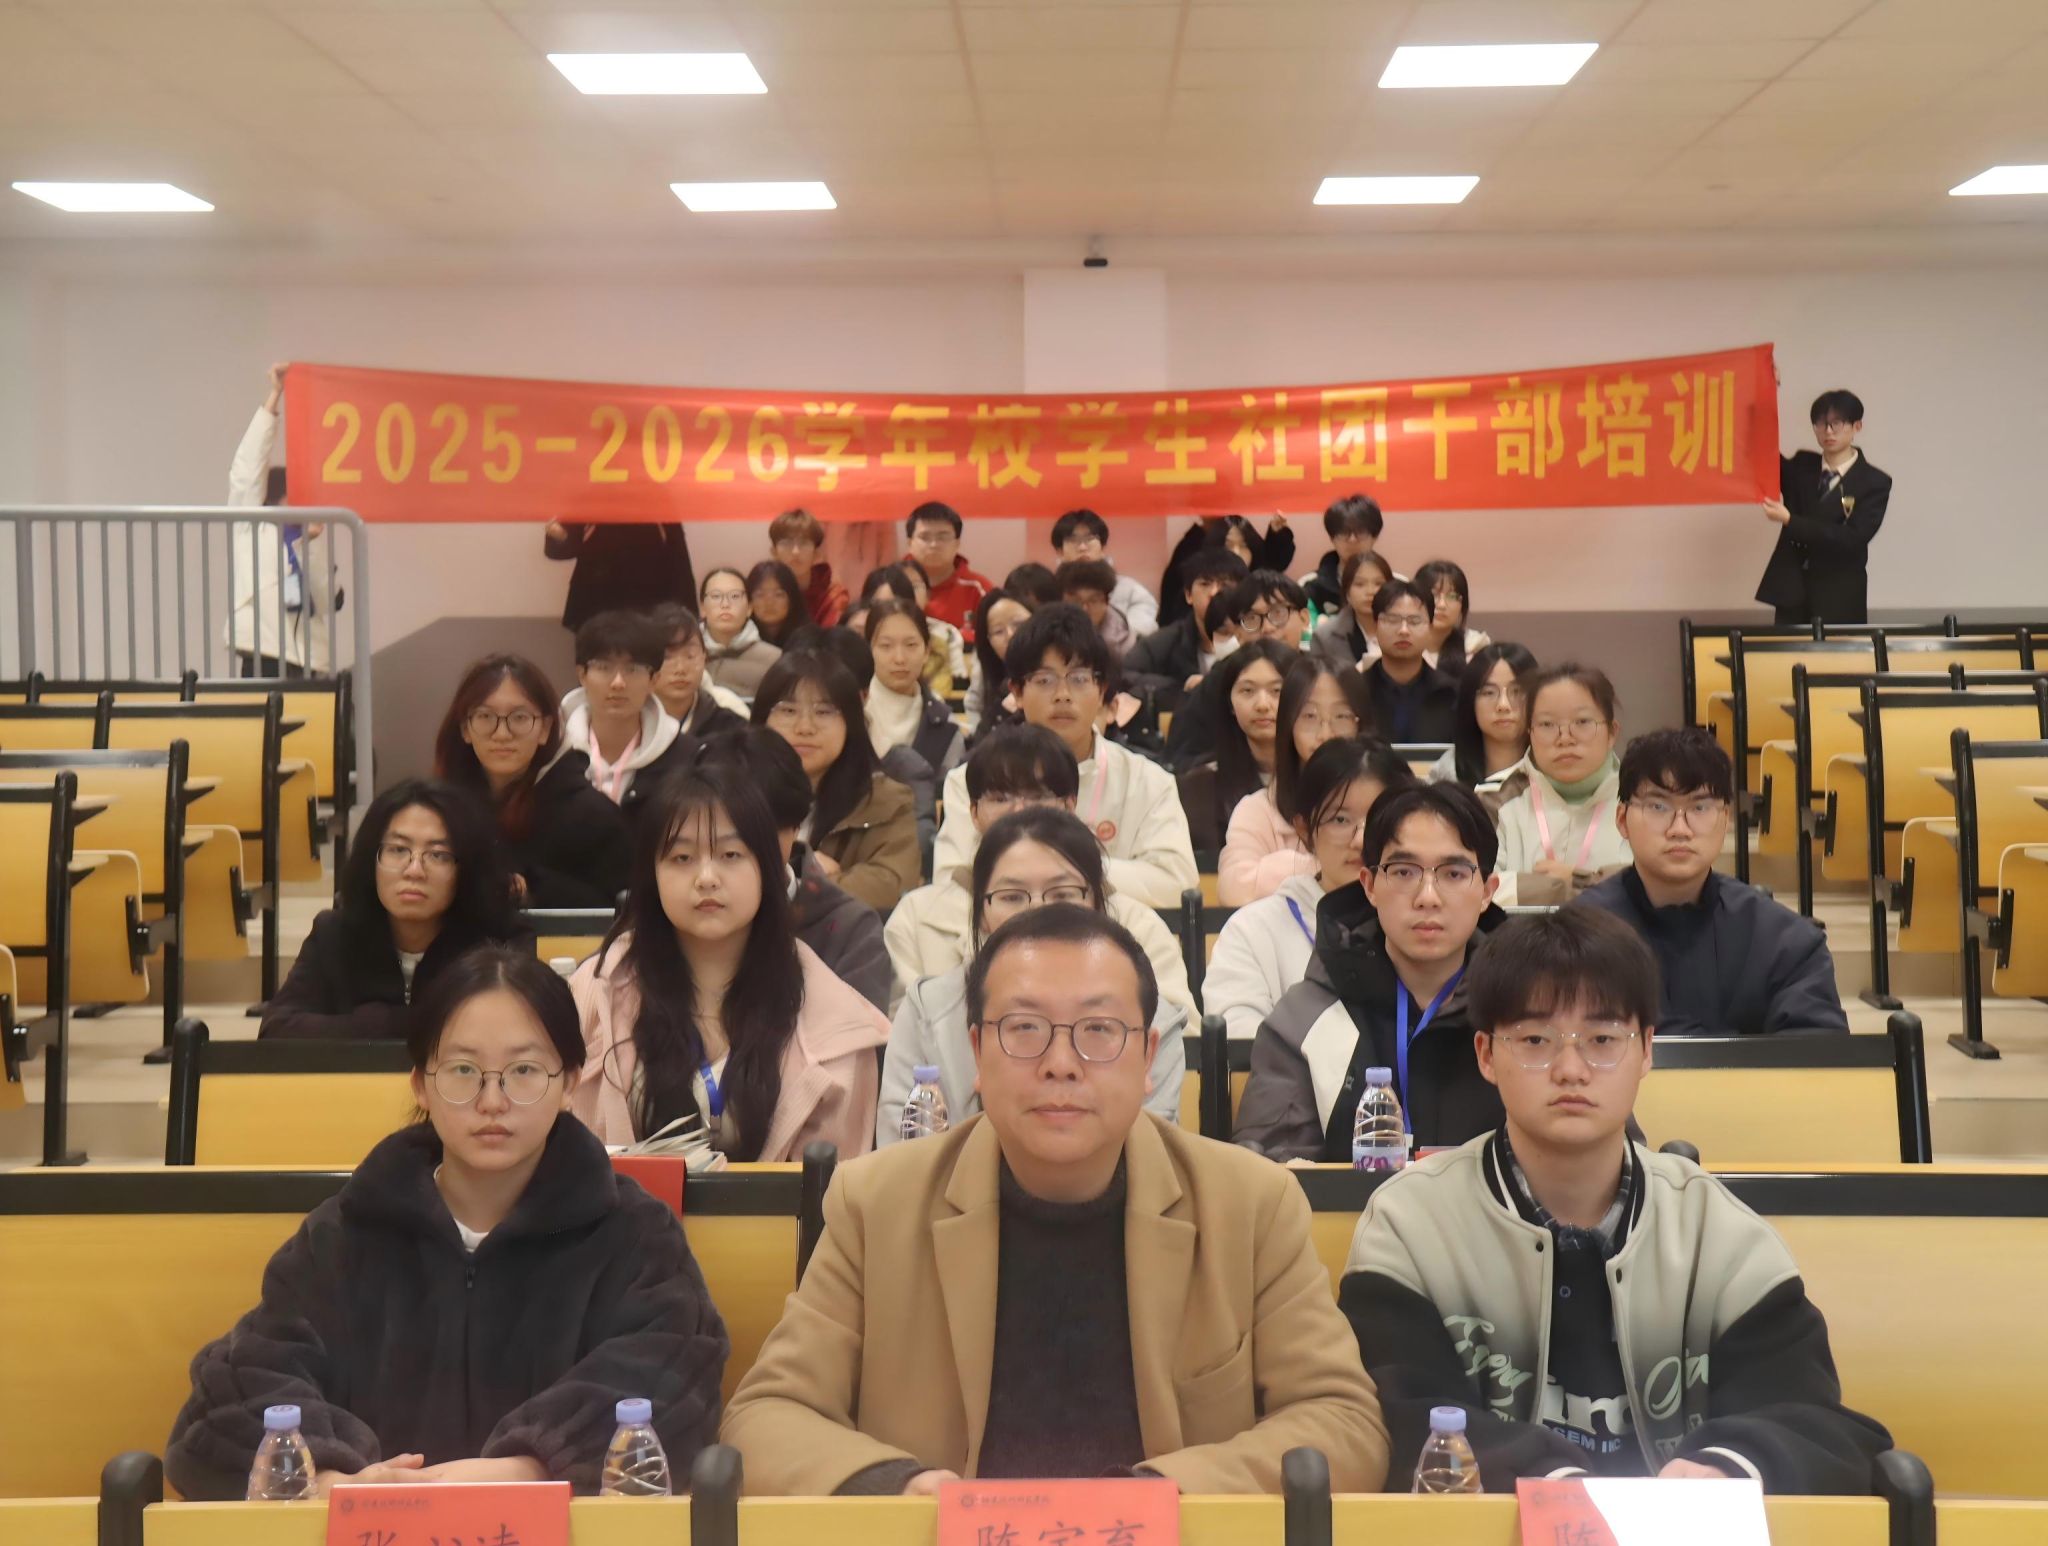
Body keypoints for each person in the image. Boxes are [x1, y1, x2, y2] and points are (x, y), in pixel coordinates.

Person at [720, 904, 1388, 1495]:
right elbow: (765, 1417)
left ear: (1149, 1058)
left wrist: (1164, 1492)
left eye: (1098, 1030)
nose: (1060, 1063)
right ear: (976, 1054)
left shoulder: (1251, 1204)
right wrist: (901, 1489)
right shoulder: (875, 1204)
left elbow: (1343, 1423)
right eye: (1025, 1028)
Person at [1339, 908, 1892, 1489]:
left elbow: (1807, 1415)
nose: (1570, 1069)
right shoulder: (1410, 1227)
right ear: (1485, 1054)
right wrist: (1557, 1487)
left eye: (1603, 1039)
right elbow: (1398, 1418)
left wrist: (1726, 1464)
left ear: (1647, 1049)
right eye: (1535, 1040)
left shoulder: (1719, 1235)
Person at [168, 946, 729, 1499]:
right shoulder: (346, 1232)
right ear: (420, 1083)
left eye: (524, 1071)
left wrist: (527, 1468)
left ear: (569, 1082)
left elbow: (675, 1376)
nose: (492, 1101)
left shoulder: (634, 1233)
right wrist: (334, 1481)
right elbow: (238, 1390)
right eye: (463, 1071)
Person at [568, 769, 890, 1159]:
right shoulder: (594, 995)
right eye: (682, 857)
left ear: (768, 868)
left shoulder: (835, 1023)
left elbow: (837, 1185)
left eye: (730, 855)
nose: (706, 878)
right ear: (652, 875)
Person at [878, 806, 1190, 1142]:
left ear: (1099, 905)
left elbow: (1150, 1156)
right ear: (981, 914)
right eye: (1012, 896)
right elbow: (903, 1158)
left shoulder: (1150, 1019)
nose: (1038, 911)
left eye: (1063, 894)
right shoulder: (926, 1011)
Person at [1234, 783, 1509, 1159]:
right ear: (1369, 885)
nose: (1427, 896)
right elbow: (1271, 1169)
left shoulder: (1524, 1013)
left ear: (1488, 891)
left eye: (1454, 874)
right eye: (1404, 871)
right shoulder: (1304, 1017)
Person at [883, 728, 1196, 1023]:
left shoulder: (1137, 924)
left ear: (1070, 805)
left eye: (1037, 796)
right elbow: (906, 1038)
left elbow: (1177, 1033)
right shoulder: (917, 918)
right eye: (1000, 798)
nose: (1020, 811)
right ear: (974, 813)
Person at [1578, 729, 1849, 1035]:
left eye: (1700, 807)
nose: (1679, 829)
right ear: (1622, 820)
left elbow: (1818, 1045)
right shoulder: (1579, 936)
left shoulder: (1785, 940)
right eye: (1658, 807)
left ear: (1726, 819)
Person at [933, 605, 1198, 908]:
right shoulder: (969, 781)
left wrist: (1066, 863)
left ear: (1102, 691)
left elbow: (1177, 884)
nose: (1063, 694)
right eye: (1044, 680)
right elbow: (951, 887)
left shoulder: (1148, 781)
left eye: (1079, 679)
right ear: (1017, 693)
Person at [261, 780, 527, 1040]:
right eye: (398, 850)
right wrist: (383, 1025)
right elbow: (276, 1030)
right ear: (372, 859)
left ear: (467, 868)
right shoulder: (333, 933)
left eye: (438, 855)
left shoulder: (498, 940)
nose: (414, 870)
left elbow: (517, 1033)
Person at [1206, 738, 1410, 1042]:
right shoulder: (1252, 930)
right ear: (1304, 830)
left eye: (1377, 819)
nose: (1360, 840)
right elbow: (1237, 1041)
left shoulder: (1426, 921)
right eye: (1340, 819)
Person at [694, 730, 893, 1012]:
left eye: (761, 833)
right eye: (723, 841)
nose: (744, 853)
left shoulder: (849, 928)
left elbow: (861, 1035)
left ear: (796, 826)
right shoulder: (673, 912)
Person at [433, 654, 631, 910]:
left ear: (545, 729)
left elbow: (620, 914)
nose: (502, 734)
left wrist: (533, 890)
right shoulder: (440, 809)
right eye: (484, 716)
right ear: (465, 729)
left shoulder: (595, 818)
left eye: (519, 718)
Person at [753, 651, 921, 913]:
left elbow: (890, 885)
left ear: (850, 723)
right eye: (788, 710)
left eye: (823, 711)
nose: (805, 727)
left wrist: (802, 883)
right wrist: (810, 875)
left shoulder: (886, 800)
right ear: (762, 718)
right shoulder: (733, 792)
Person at [1218, 654, 1373, 905]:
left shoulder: (1393, 797)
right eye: (1310, 716)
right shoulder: (1258, 810)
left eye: (1341, 716)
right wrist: (1323, 865)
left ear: (1361, 723)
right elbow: (1234, 891)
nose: (1325, 734)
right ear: (1289, 723)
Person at [1493, 663, 1632, 907]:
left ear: (1612, 732)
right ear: (1530, 734)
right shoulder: (1498, 801)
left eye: (1582, 722)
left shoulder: (1640, 804)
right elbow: (1480, 891)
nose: (1565, 738)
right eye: (1547, 724)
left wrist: (1574, 880)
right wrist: (1581, 884)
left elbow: (1650, 888)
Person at [226, 363, 332, 676]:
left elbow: (326, 600)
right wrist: (275, 396)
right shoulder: (252, 527)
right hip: (263, 652)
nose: (303, 502)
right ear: (274, 496)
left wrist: (309, 544)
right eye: (294, 495)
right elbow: (246, 470)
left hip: (309, 662)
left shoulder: (310, 535)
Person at [1756, 389, 1892, 626]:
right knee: (1786, 650)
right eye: (1820, 423)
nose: (1828, 431)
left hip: (1839, 595)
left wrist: (1791, 521)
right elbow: (1761, 450)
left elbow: (1852, 538)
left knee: (1837, 651)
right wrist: (1765, 386)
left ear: (1857, 426)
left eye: (1836, 423)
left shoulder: (1874, 481)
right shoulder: (1802, 466)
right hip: (1792, 591)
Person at [560, 610, 697, 822]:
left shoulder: (685, 758)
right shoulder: (554, 753)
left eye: (632, 669)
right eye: (603, 667)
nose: (618, 682)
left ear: (654, 680)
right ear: (582, 675)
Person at [1173, 640, 1295, 854]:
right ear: (1230, 703)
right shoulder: (1198, 788)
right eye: (1248, 690)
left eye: (1277, 690)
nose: (1262, 705)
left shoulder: (1326, 781)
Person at [1122, 546, 1248, 711]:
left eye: (1224, 585)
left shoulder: (1254, 636)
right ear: (1188, 595)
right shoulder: (1165, 641)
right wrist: (1182, 685)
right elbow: (1126, 675)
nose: (1214, 592)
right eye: (1205, 584)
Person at [862, 598, 966, 786]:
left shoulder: (944, 724)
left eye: (910, 645)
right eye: (886, 646)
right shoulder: (850, 714)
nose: (899, 658)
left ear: (927, 651)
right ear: (868, 650)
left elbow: (950, 793)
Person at [1428, 641, 1538, 802]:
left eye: (1517, 691)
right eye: (1489, 692)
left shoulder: (1553, 770)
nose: (1503, 705)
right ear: (1470, 700)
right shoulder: (1447, 774)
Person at [545, 519, 694, 634]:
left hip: (650, 605)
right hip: (596, 601)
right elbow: (561, 550)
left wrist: (688, 614)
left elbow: (679, 562)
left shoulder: (657, 500)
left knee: (647, 660)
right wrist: (559, 535)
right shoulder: (591, 498)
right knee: (597, 660)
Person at [1358, 580, 1459, 745]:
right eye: (1392, 620)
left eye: (1414, 621)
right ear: (1375, 626)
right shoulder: (1355, 691)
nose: (1403, 630)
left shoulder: (1451, 694)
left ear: (1430, 627)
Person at [1158, 515, 1294, 626]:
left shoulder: (1261, 583)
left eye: (1243, 545)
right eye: (1229, 545)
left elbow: (1274, 563)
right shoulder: (1202, 586)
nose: (1236, 552)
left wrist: (1279, 537)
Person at [647, 603, 749, 739]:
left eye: (690, 655)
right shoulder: (630, 721)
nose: (680, 669)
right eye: (667, 657)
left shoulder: (732, 724)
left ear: (704, 657)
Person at [1052, 508, 1159, 636]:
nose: (1082, 547)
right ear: (1059, 551)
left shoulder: (1128, 589)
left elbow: (1142, 630)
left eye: (1089, 538)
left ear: (1102, 547)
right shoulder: (1049, 588)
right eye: (1073, 540)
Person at [861, 563, 965, 693]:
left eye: (896, 604)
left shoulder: (937, 648)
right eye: (880, 605)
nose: (899, 658)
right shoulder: (852, 645)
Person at [902, 502, 992, 635]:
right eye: (925, 537)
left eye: (942, 537)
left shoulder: (978, 588)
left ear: (957, 544)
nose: (934, 544)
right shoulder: (891, 585)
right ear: (909, 543)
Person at [698, 566, 783, 703]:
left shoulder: (775, 660)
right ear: (702, 608)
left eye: (735, 596)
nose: (725, 604)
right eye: (716, 596)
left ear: (749, 608)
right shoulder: (687, 657)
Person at [963, 587, 1035, 736]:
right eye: (998, 631)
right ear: (989, 642)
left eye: (1018, 624)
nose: (1010, 635)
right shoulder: (988, 679)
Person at [1309, 552, 1395, 673]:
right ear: (1347, 592)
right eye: (1360, 584)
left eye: (1378, 584)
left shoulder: (1406, 629)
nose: (1370, 591)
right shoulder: (1324, 636)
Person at [1303, 494, 1385, 617]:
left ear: (1375, 536)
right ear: (1332, 538)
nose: (1352, 539)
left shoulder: (1394, 583)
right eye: (1344, 532)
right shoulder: (1310, 585)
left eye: (1360, 532)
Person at [770, 507, 849, 628]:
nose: (795, 552)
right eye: (786, 543)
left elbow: (830, 636)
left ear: (816, 553)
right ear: (774, 552)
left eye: (804, 543)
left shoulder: (833, 595)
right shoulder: (765, 592)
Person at [1412, 559, 1491, 676]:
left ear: (1462, 605)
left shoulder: (1474, 647)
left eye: (1452, 596)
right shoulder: (1400, 645)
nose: (1441, 605)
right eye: (1434, 594)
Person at [1057, 557, 1133, 660]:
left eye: (1093, 600)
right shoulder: (1047, 630)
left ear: (1107, 602)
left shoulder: (1123, 647)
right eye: (1075, 601)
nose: (1084, 609)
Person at [746, 560, 806, 650]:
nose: (769, 603)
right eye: (760, 595)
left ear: (792, 598)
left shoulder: (808, 640)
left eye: (779, 594)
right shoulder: (739, 641)